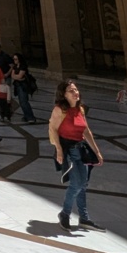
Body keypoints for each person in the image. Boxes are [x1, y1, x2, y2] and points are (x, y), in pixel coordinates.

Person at [49, 80, 105, 231]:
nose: (75, 93)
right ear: (64, 94)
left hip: (81, 150)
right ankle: (65, 214)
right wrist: (59, 150)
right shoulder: (60, 110)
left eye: (76, 90)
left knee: (83, 184)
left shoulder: (80, 109)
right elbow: (53, 130)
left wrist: (97, 151)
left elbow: (86, 131)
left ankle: (84, 218)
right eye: (71, 91)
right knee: (77, 184)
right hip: (68, 151)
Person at [10, 53, 36, 122]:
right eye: (14, 59)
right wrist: (18, 77)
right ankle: (26, 115)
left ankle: (30, 117)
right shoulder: (15, 66)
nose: (14, 60)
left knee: (24, 101)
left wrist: (17, 77)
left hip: (23, 86)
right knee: (21, 102)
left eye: (16, 59)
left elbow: (20, 76)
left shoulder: (23, 66)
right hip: (17, 85)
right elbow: (13, 76)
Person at [0, 42, 13, 122]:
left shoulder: (5, 56)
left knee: (7, 95)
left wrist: (7, 74)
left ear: (0, 48)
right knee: (1, 96)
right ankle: (3, 112)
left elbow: (12, 66)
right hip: (1, 77)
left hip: (6, 77)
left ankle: (8, 112)